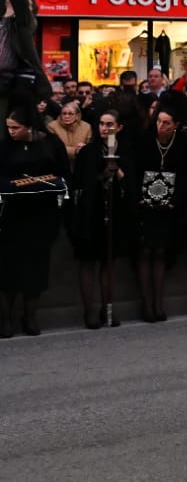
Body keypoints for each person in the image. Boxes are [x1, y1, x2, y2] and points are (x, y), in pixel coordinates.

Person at [0, 106, 68, 336]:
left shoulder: (50, 144)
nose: (11, 132)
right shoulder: (5, 147)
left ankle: (30, 315)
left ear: (29, 126)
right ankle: (5, 317)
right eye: (8, 127)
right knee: (8, 268)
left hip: (41, 215)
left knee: (36, 268)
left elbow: (62, 172)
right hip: (11, 215)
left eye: (16, 128)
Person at [128, 97, 187, 323]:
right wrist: (139, 197)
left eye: (166, 123)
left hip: (169, 207)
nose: (161, 127)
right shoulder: (146, 140)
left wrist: (176, 198)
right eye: (159, 122)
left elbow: (186, 173)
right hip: (145, 206)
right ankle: (147, 303)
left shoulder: (181, 142)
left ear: (175, 125)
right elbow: (135, 170)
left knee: (161, 252)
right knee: (145, 252)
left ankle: (158, 302)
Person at [69, 107, 131, 329]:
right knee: (88, 263)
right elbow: (81, 184)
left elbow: (130, 183)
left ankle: (108, 308)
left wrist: (119, 173)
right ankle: (89, 311)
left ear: (119, 127)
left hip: (115, 213)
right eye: (102, 124)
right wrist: (101, 176)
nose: (105, 129)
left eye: (110, 125)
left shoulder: (125, 150)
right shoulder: (88, 151)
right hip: (90, 213)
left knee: (109, 263)